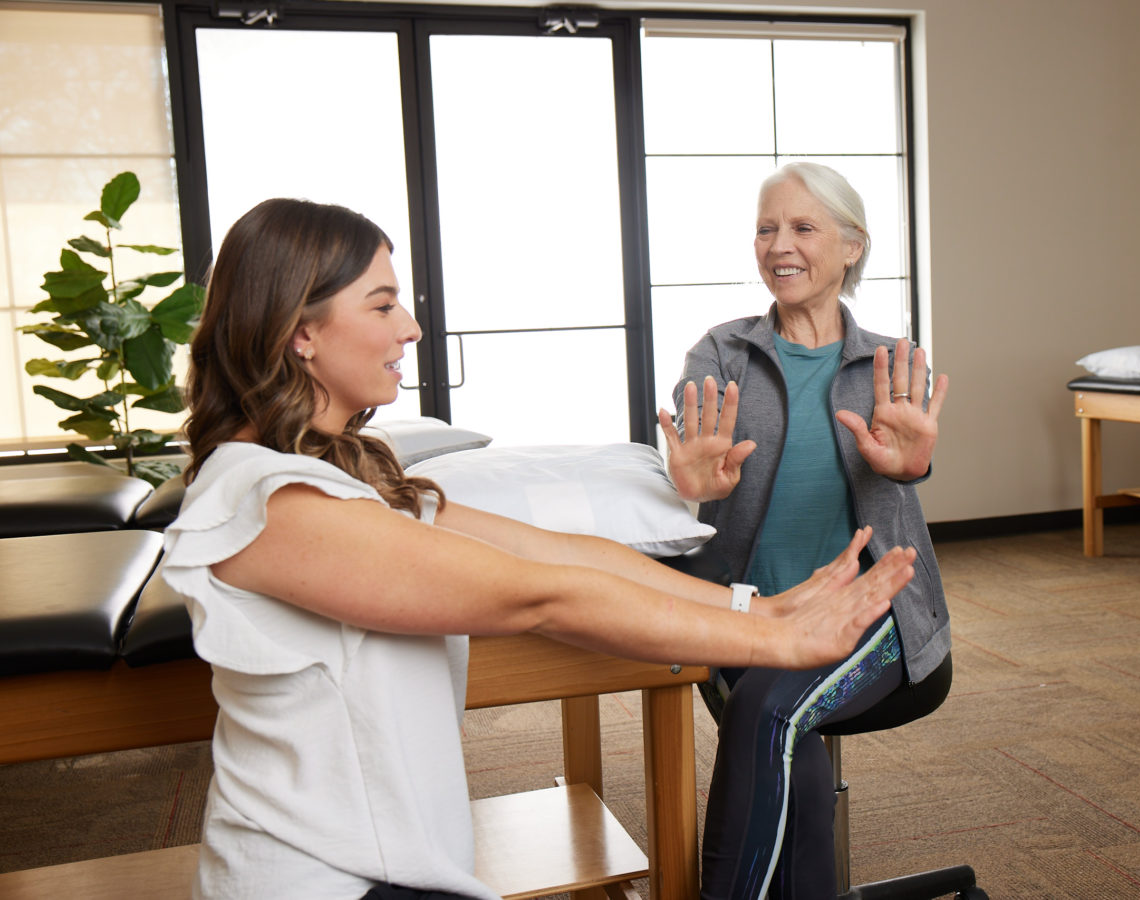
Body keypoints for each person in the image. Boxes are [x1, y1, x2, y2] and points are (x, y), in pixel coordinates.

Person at [160, 197, 919, 900]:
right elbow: (538, 592)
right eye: (383, 305)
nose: (411, 328)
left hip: (396, 867)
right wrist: (773, 640)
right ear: (301, 331)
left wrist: (757, 603)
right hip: (321, 881)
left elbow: (564, 554)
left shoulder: (341, 475)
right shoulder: (272, 503)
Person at [657, 161, 953, 899]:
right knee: (788, 740)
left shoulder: (892, 363)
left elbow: (905, 471)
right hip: (747, 616)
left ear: (852, 247)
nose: (778, 245)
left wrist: (912, 468)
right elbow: (690, 467)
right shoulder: (723, 354)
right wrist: (690, 484)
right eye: (765, 228)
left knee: (772, 712)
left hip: (870, 612)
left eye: (802, 227)